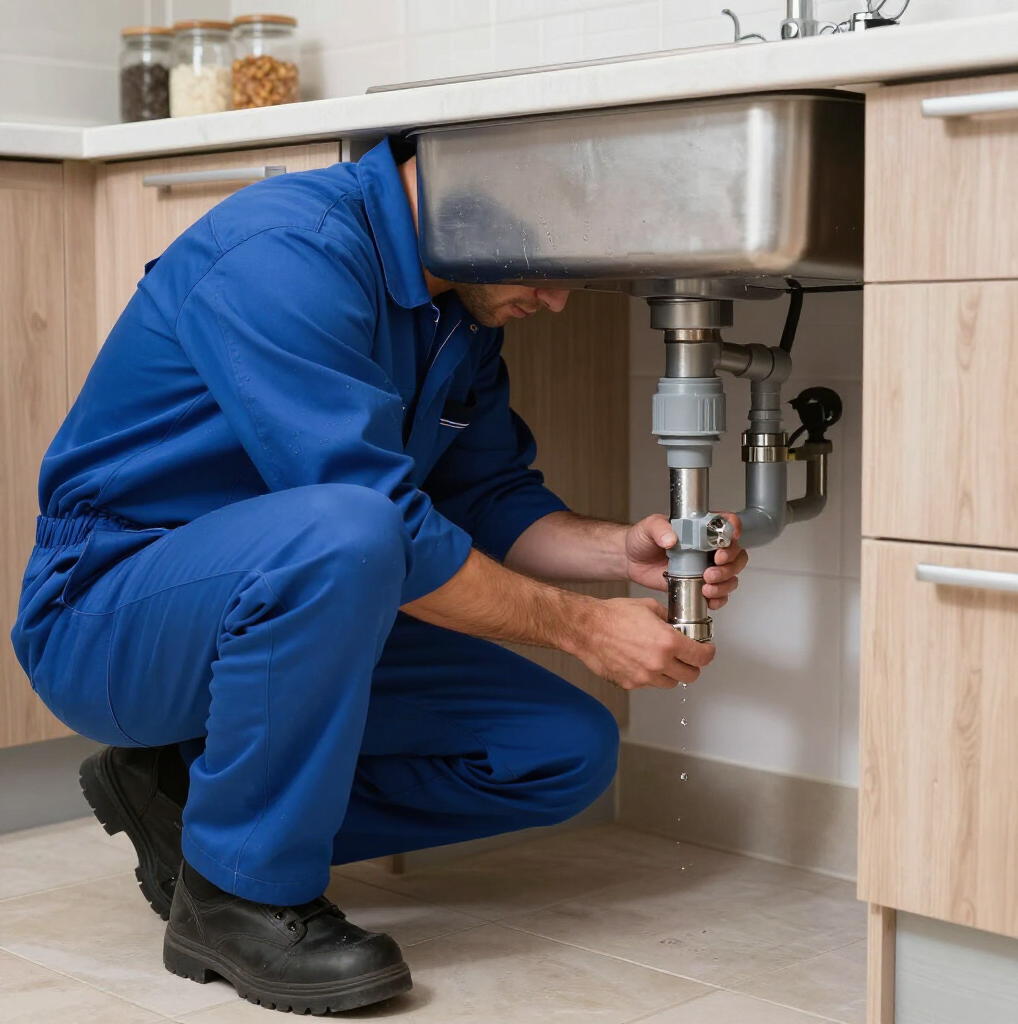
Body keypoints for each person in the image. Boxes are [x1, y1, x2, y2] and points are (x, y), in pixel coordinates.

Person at [10, 137, 748, 1015]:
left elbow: (489, 496)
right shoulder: (285, 253)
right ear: (467, 189)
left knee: (560, 752)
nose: (554, 301)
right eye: (549, 270)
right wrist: (584, 628)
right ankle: (239, 898)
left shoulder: (456, 314)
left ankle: (183, 798)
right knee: (349, 524)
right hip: (110, 612)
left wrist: (617, 551)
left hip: (306, 598)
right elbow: (371, 515)